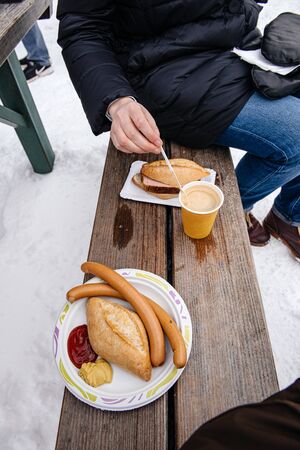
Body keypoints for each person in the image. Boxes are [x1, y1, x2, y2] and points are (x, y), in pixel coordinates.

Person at [57, 0, 300, 261]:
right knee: (296, 136)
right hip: (163, 68)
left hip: (233, 43)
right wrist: (115, 101)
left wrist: (246, 9)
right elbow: (82, 28)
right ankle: (229, 207)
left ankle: (287, 214)